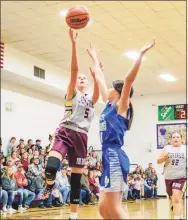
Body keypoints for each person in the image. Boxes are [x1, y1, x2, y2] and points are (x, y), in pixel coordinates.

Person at [88, 39, 155, 219]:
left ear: (119, 92)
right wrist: (95, 58)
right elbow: (100, 80)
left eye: (111, 88)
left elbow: (128, 80)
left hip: (115, 156)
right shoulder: (109, 105)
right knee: (103, 209)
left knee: (114, 208)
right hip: (107, 156)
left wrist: (140, 55)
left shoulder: (122, 106)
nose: (107, 89)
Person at [45, 28, 100, 220]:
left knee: (76, 180)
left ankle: (73, 216)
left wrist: (95, 71)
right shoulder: (72, 92)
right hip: (65, 131)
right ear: (75, 83)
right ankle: (49, 184)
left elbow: (98, 89)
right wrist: (74, 44)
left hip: (82, 136)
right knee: (52, 166)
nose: (82, 78)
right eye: (80, 78)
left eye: (85, 78)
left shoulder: (91, 99)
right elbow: (74, 70)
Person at [157, 132, 186, 220]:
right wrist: (163, 158)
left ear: (181, 139)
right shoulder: (167, 148)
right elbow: (158, 161)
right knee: (173, 198)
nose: (176, 139)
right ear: (171, 139)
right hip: (169, 177)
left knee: (176, 197)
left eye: (177, 137)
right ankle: (179, 214)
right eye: (174, 137)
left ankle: (176, 217)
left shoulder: (185, 149)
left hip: (182, 177)